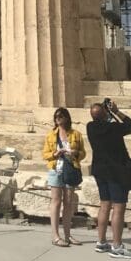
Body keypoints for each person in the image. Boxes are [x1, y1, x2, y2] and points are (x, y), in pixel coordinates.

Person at [86, 100, 131, 259]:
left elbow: (103, 122)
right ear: (105, 114)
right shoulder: (113, 128)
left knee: (104, 205)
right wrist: (116, 111)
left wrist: (106, 114)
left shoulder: (90, 127)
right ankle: (117, 246)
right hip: (116, 172)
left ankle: (101, 242)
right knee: (118, 208)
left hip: (100, 171)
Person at [42, 106, 86, 247]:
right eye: (56, 117)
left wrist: (75, 153)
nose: (58, 119)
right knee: (56, 201)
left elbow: (83, 153)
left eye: (61, 116)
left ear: (67, 118)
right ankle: (55, 235)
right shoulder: (50, 135)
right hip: (56, 169)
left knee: (68, 203)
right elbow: (45, 154)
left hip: (71, 169)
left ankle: (67, 235)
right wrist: (55, 154)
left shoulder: (76, 134)